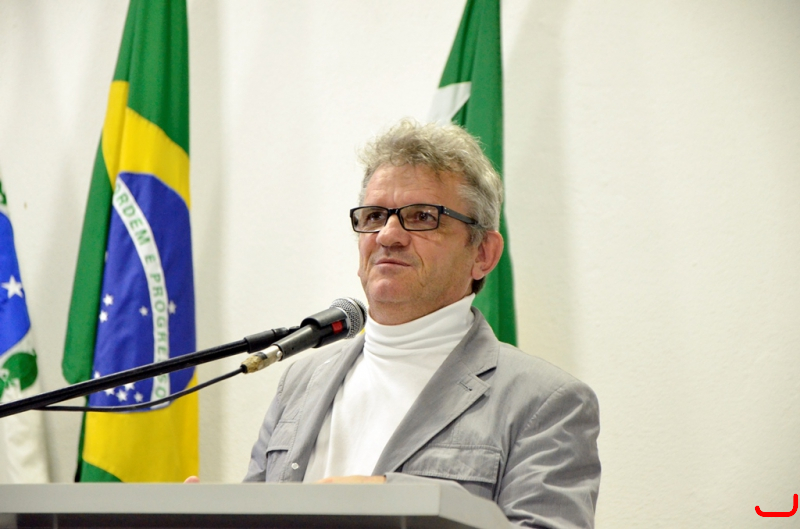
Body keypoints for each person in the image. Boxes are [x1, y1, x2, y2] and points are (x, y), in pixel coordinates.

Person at [244, 119, 601, 528]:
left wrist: (391, 496)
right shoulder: (300, 381)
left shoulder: (544, 402)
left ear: (483, 253)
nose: (388, 235)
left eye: (421, 216)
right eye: (374, 215)